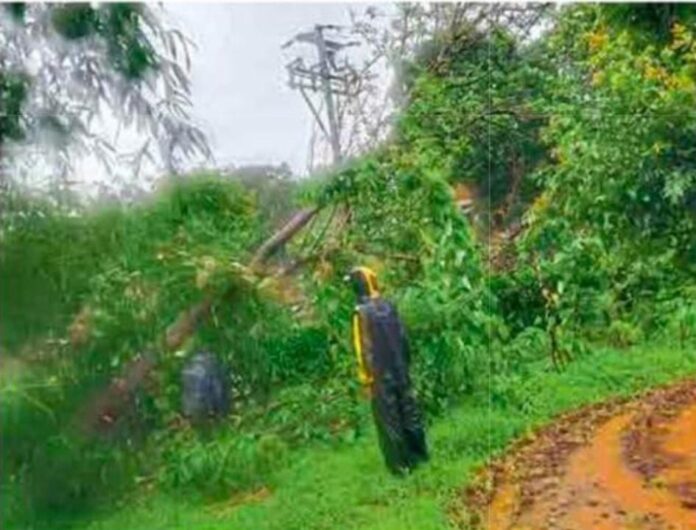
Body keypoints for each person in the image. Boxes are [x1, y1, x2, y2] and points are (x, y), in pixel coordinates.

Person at [345, 266, 428, 474]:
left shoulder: (361, 313)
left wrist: (366, 379)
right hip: (400, 368)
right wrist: (405, 363)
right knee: (409, 410)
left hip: (379, 375)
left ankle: (400, 466)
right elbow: (403, 337)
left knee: (389, 420)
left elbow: (363, 349)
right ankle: (420, 455)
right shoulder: (389, 306)